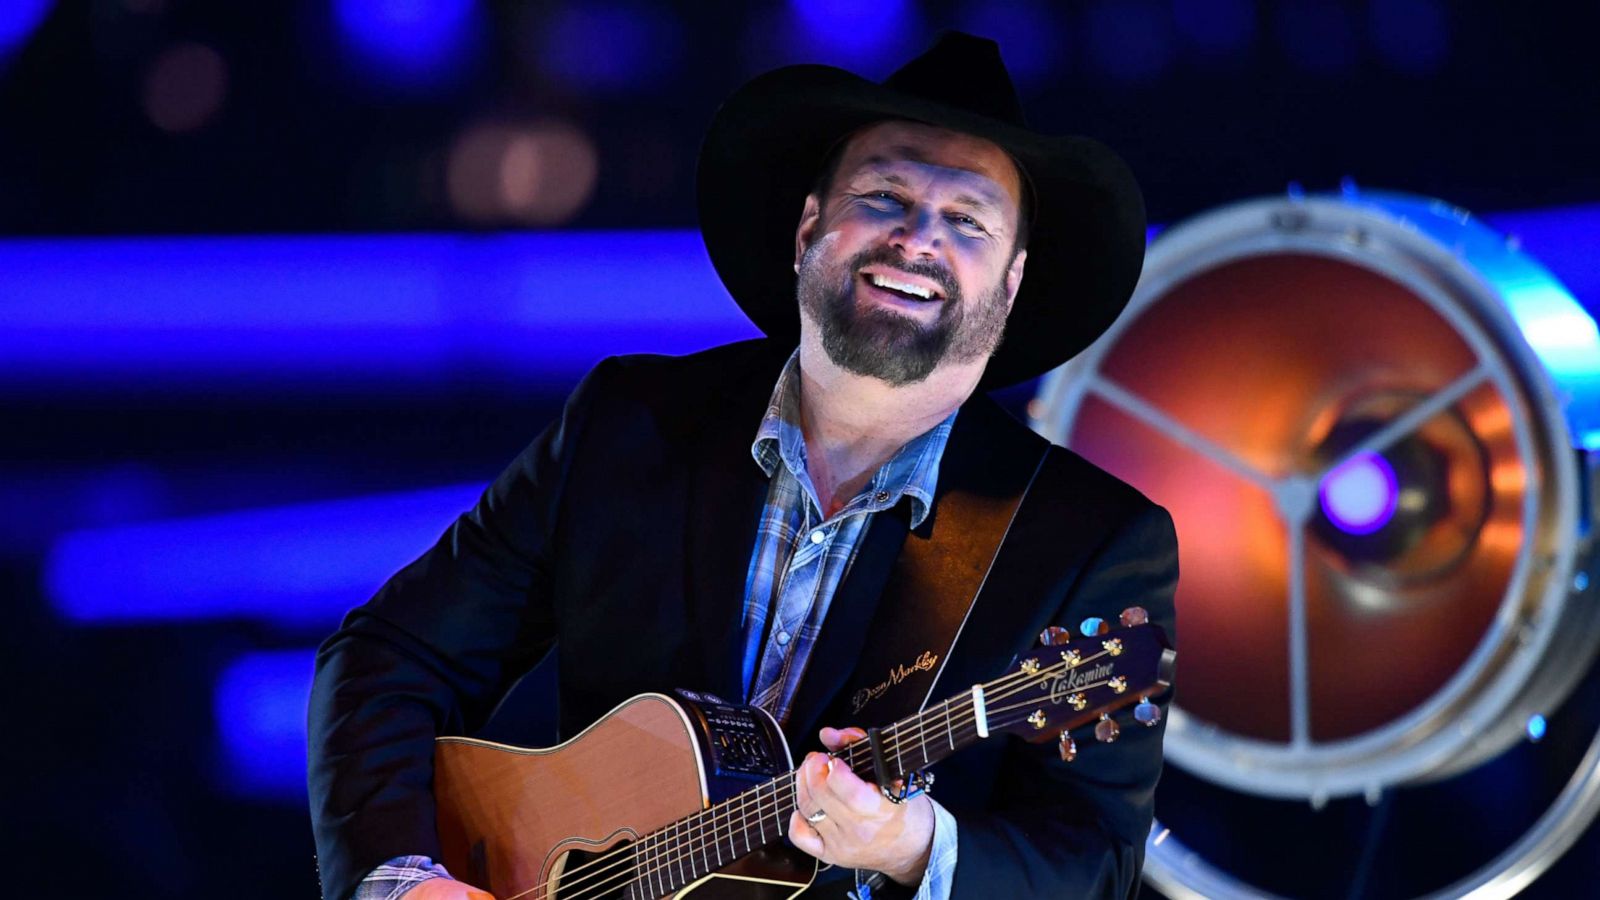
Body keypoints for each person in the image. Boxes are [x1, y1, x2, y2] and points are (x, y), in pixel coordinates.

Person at [308, 31, 1178, 900]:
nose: (918, 240)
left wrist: (915, 846)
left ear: (1012, 280)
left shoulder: (1090, 543)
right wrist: (401, 878)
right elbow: (389, 655)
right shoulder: (629, 423)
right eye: (884, 195)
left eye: (967, 220)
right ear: (810, 226)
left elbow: (1093, 864)